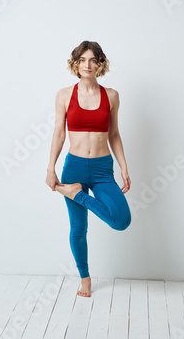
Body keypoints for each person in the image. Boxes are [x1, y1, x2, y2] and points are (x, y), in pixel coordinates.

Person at [45, 41, 132, 297]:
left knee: (121, 220)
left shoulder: (112, 95)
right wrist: (51, 167)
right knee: (78, 229)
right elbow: (59, 134)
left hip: (103, 169)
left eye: (93, 60)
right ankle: (85, 278)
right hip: (75, 167)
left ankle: (72, 193)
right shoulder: (64, 95)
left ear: (100, 63)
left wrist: (124, 168)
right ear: (75, 63)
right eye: (82, 60)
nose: (87, 65)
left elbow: (114, 134)